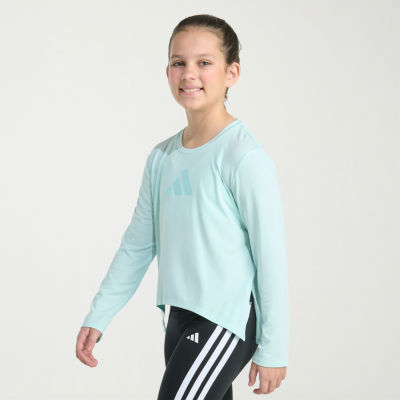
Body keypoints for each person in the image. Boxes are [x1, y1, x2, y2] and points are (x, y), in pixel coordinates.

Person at [76, 14, 289, 399]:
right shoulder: (162, 158)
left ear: (231, 73)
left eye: (204, 62)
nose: (189, 73)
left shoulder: (242, 157)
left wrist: (274, 346)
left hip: (225, 319)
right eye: (179, 62)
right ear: (168, 72)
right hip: (179, 318)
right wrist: (100, 314)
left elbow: (269, 255)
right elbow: (137, 245)